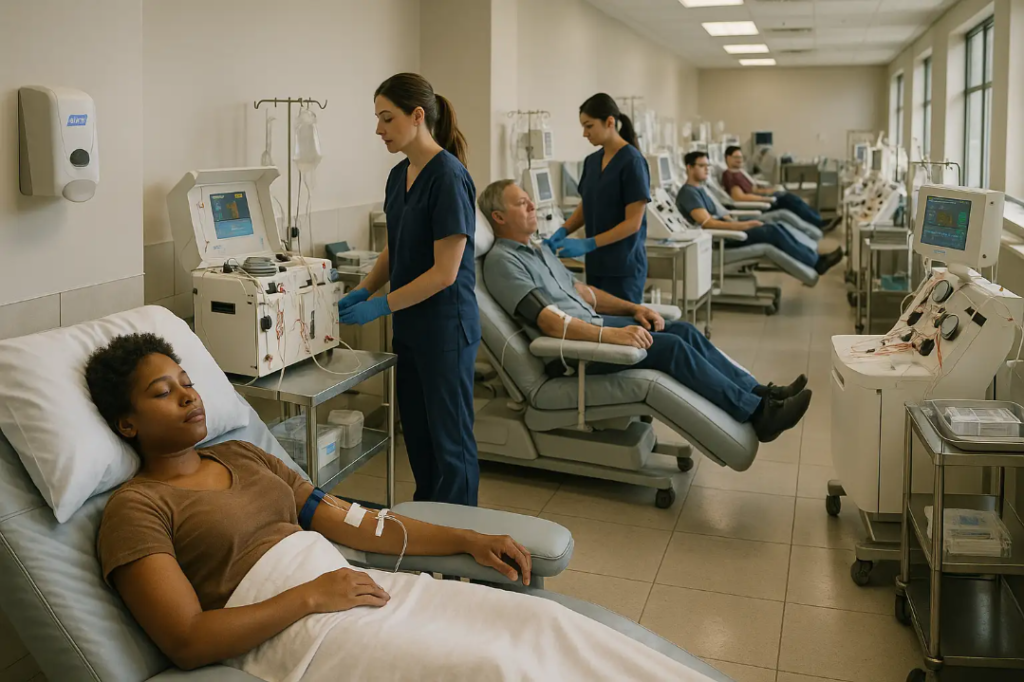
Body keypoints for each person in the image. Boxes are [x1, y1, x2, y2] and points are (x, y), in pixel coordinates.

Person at [86, 334, 699, 680]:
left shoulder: (245, 456)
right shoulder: (136, 509)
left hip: (366, 590)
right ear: (127, 423)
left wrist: (463, 538)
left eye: (187, 382)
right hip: (301, 630)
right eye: (163, 393)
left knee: (544, 626)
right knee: (494, 668)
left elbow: (357, 521)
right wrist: (311, 596)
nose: (189, 397)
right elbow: (188, 640)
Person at [479, 179, 812, 443]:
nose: (532, 205)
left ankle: (762, 394)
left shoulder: (538, 251)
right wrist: (611, 335)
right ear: (499, 217)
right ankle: (758, 415)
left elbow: (584, 293)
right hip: (571, 354)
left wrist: (635, 308)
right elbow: (549, 322)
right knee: (670, 349)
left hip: (591, 328)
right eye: (522, 203)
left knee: (678, 329)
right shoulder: (503, 262)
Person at [337, 73, 480, 506]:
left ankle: (464, 544)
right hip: (411, 329)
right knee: (417, 438)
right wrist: (364, 289)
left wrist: (380, 305)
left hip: (445, 331)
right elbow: (394, 248)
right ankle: (428, 534)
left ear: (417, 116)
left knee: (450, 445)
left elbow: (444, 274)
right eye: (377, 118)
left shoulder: (450, 178)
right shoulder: (400, 175)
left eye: (387, 118)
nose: (378, 129)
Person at [544, 94, 649, 304]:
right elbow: (588, 205)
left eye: (589, 126)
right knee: (599, 326)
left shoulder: (632, 162)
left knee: (625, 329)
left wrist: (589, 243)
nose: (585, 133)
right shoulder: (592, 162)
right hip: (597, 264)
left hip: (623, 266)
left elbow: (633, 223)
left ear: (610, 122)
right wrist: (564, 230)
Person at [678, 151, 843, 277]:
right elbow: (708, 223)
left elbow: (719, 214)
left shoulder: (700, 190)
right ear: (689, 168)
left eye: (708, 166)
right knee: (772, 231)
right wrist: (742, 225)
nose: (707, 169)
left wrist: (737, 220)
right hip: (722, 239)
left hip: (730, 229)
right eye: (702, 166)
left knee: (776, 226)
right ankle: (816, 262)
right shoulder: (688, 193)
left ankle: (814, 258)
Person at [721, 145, 838, 232]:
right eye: (736, 157)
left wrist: (771, 190)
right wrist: (765, 198)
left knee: (793, 198)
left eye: (741, 157)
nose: (739, 160)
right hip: (757, 205)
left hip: (762, 197)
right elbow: (739, 197)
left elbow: (753, 189)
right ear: (727, 158)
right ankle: (818, 223)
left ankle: (818, 221)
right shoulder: (729, 175)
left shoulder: (740, 172)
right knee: (790, 201)